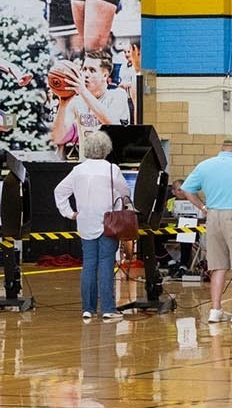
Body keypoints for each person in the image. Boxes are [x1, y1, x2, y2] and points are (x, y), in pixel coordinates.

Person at [179, 133, 232, 324]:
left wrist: (202, 207)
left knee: (218, 265)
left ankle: (215, 310)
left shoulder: (205, 164)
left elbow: (187, 190)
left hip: (213, 215)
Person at [53, 130, 131, 320]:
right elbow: (125, 192)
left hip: (85, 222)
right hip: (108, 223)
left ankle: (87, 308)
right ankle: (108, 309)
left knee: (88, 265)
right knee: (105, 264)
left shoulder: (78, 170)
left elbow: (59, 191)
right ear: (106, 149)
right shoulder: (112, 169)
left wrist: (69, 213)